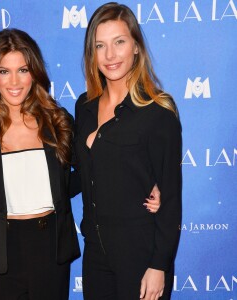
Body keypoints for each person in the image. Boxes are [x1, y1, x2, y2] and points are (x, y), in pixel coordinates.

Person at [0, 28, 80, 300]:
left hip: (50, 251)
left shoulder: (58, 123)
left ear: (34, 73)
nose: (14, 81)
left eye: (22, 70)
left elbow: (78, 178)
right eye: (4, 71)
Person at [74, 3, 182, 300]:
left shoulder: (158, 111)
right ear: (91, 53)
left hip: (141, 254)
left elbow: (170, 198)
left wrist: (159, 265)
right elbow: (82, 174)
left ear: (136, 46)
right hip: (95, 254)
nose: (110, 55)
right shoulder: (84, 107)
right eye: (100, 45)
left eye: (119, 42)